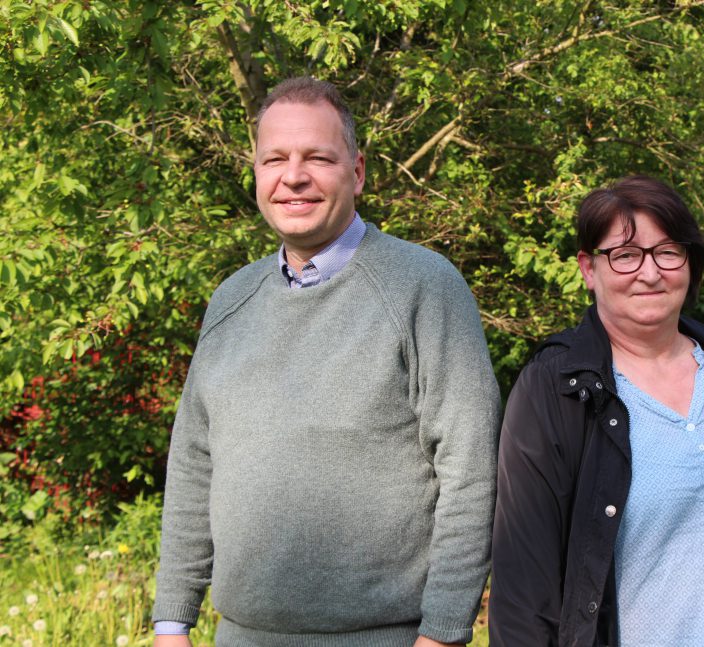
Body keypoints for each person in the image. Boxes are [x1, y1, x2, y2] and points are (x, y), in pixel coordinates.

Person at [151, 77, 500, 647]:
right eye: (275, 159)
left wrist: (443, 632)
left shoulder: (423, 287)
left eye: (317, 156)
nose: (294, 176)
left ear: (357, 171)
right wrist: (172, 621)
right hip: (240, 637)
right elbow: (193, 465)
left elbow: (470, 468)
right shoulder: (231, 300)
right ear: (258, 174)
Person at [489, 176, 704, 646]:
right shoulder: (557, 390)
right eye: (625, 255)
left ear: (690, 262)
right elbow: (524, 590)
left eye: (668, 251)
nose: (650, 273)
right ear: (589, 268)